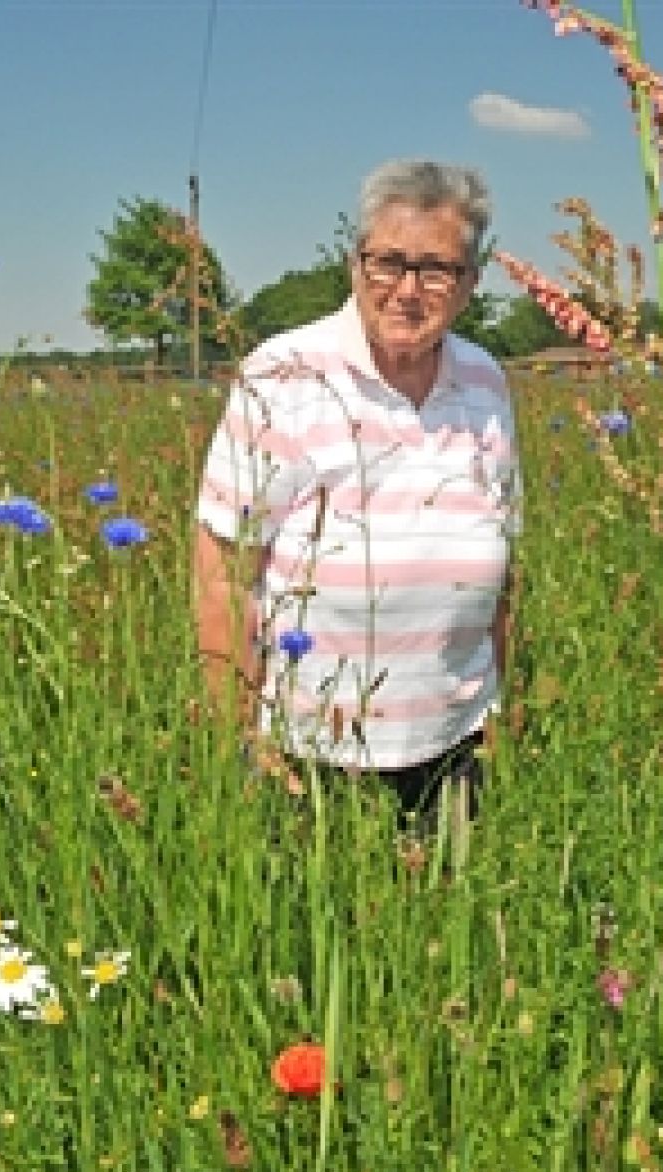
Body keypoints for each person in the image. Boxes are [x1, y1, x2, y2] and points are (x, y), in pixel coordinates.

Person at [192, 159, 520, 834]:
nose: (407, 289)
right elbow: (223, 576)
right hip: (307, 756)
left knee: (449, 932)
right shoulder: (280, 374)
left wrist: (500, 708)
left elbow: (503, 564)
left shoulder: (486, 382)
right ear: (355, 264)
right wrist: (239, 737)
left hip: (458, 743)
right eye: (387, 262)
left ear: (470, 286)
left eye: (436, 270)